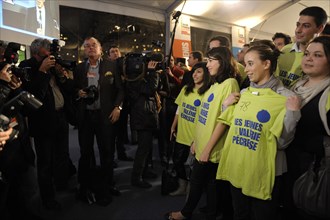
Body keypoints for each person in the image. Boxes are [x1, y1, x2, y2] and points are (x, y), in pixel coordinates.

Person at [211, 45, 300, 220]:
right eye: (245, 64)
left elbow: (282, 143)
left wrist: (292, 115)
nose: (247, 69)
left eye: (251, 63)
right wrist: (225, 106)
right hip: (240, 166)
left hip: (266, 172)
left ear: (266, 64)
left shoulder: (286, 98)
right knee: (240, 213)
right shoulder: (243, 93)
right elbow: (233, 127)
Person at [166, 46, 240, 220]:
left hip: (212, 147)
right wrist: (196, 141)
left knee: (198, 181)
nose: (208, 65)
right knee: (210, 184)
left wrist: (207, 148)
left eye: (211, 60)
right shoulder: (215, 84)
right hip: (202, 143)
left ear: (223, 61)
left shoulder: (230, 83)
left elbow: (224, 121)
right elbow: (204, 117)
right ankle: (211, 212)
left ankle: (185, 213)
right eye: (207, 61)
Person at [19, 38, 75, 210]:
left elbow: (68, 90)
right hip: (43, 122)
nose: (51, 55)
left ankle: (62, 185)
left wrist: (61, 75)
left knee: (62, 155)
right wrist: (43, 72)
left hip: (60, 118)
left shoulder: (53, 64)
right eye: (47, 52)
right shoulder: (26, 66)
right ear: (37, 53)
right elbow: (34, 97)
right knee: (45, 163)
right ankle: (47, 198)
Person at [73, 37, 124, 205]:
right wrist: (79, 93)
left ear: (100, 49)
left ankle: (108, 185)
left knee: (107, 153)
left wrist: (118, 107)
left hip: (106, 116)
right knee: (85, 154)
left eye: (94, 45)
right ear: (84, 50)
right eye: (87, 46)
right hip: (86, 117)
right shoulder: (80, 68)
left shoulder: (112, 65)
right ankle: (85, 187)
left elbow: (120, 90)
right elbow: (74, 89)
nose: (90, 48)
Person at [284, 36, 330, 220]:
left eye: (317, 55)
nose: (309, 59)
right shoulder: (297, 86)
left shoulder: (327, 94)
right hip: (289, 166)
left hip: (314, 172)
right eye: (307, 54)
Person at [169, 62, 211, 196]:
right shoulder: (186, 89)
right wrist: (173, 126)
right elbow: (179, 109)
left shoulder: (208, 94)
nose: (195, 74)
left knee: (194, 167)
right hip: (182, 134)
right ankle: (183, 185)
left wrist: (197, 139)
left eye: (199, 71)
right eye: (194, 72)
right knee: (177, 161)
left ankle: (191, 191)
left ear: (206, 73)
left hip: (196, 137)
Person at [127, 59, 160, 188]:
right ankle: (136, 178)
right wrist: (153, 73)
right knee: (142, 149)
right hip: (142, 118)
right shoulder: (134, 79)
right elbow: (151, 89)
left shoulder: (138, 78)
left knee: (147, 148)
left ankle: (144, 172)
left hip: (146, 116)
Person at [276, 6, 328, 88]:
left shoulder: (325, 56)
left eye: (306, 26)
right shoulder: (285, 49)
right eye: (298, 25)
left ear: (320, 28)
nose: (298, 30)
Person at [108, 45, 133, 163]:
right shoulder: (107, 68)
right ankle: (110, 158)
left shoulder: (125, 67)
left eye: (117, 51)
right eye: (112, 52)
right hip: (111, 105)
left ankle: (121, 153)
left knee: (122, 131)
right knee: (111, 134)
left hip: (124, 104)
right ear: (109, 56)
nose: (115, 53)